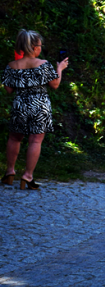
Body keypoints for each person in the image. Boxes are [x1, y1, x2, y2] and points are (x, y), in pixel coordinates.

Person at [2, 30, 69, 190]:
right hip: (40, 105)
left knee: (14, 139)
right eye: (39, 45)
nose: (41, 48)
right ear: (33, 47)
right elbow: (55, 85)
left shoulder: (11, 66)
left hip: (20, 104)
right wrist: (59, 68)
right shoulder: (43, 64)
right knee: (35, 141)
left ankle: (10, 172)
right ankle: (27, 176)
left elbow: (9, 90)